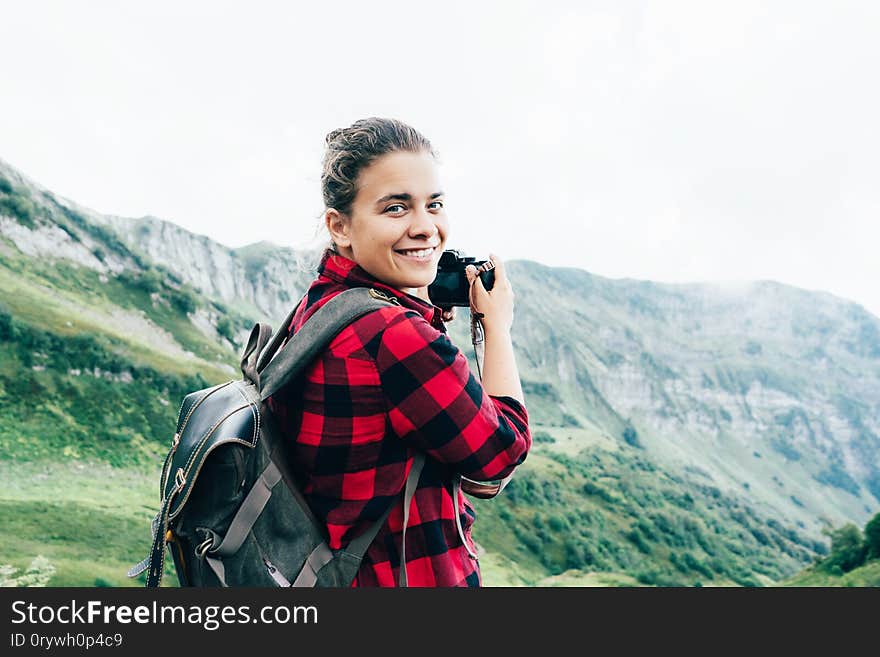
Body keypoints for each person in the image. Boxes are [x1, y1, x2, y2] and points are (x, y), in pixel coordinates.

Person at [268, 117, 531, 587]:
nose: (426, 227)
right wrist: (497, 328)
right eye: (396, 208)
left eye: (435, 205)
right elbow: (498, 457)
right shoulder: (395, 335)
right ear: (340, 226)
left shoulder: (322, 304)